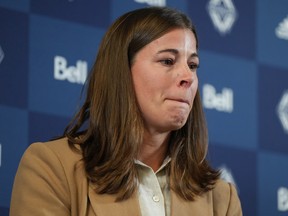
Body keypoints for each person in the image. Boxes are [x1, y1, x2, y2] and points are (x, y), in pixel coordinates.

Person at [10, 6, 242, 216]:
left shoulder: (222, 198)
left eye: (192, 65)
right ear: (121, 71)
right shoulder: (51, 168)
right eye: (168, 61)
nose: (188, 77)